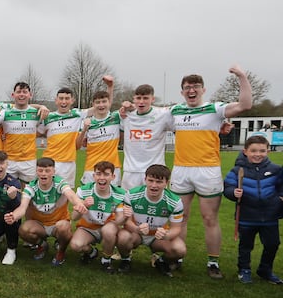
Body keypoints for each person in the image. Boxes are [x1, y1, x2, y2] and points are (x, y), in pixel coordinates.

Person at [170, 65, 252, 279]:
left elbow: (245, 104)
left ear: (203, 90)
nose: (191, 90)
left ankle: (213, 262)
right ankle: (176, 257)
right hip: (181, 170)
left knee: (209, 218)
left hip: (207, 171)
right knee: (181, 217)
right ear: (182, 92)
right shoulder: (175, 111)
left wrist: (242, 76)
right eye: (187, 87)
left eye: (196, 86)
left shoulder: (215, 109)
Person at [224, 135, 283, 284]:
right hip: (246, 215)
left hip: (270, 216)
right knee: (246, 246)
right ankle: (244, 269)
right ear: (245, 151)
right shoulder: (237, 170)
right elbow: (227, 187)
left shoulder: (276, 169)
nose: (258, 154)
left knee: (272, 244)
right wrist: (233, 192)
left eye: (262, 151)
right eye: (254, 151)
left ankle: (265, 270)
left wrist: (280, 198)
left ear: (268, 151)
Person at [116, 165, 186, 276]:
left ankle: (162, 261)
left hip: (157, 237)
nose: (154, 185)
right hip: (136, 234)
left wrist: (166, 236)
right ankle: (125, 259)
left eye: (159, 182)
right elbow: (127, 222)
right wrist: (137, 229)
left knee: (180, 249)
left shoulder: (175, 201)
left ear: (166, 183)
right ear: (145, 180)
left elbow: (176, 229)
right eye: (150, 180)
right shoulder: (132, 195)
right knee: (122, 237)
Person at [39, 83, 112, 187]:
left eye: (67, 98)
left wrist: (110, 87)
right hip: (49, 163)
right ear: (56, 100)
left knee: (66, 195)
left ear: (72, 100)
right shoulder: (48, 117)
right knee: (45, 193)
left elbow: (101, 106)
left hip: (68, 164)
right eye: (61, 98)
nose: (64, 101)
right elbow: (37, 133)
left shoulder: (77, 114)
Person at [18, 157, 82, 266]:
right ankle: (42, 245)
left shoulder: (60, 183)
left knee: (64, 227)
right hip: (40, 225)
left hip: (57, 224)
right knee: (23, 230)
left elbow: (70, 194)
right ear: (36, 171)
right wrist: (13, 216)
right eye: (40, 170)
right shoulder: (31, 186)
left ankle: (61, 251)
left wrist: (78, 204)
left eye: (47, 171)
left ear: (53, 172)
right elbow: (23, 206)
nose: (44, 174)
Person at [0, 82, 46, 184]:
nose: (22, 94)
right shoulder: (5, 112)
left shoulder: (36, 113)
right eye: (18, 92)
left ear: (30, 94)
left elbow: (43, 132)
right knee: (6, 194)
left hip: (29, 161)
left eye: (25, 92)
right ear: (13, 95)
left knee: (30, 195)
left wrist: (43, 107)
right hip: (9, 161)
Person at [69, 161, 126, 273]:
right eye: (98, 174)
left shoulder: (120, 194)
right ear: (94, 176)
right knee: (76, 245)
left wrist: (124, 216)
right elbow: (74, 217)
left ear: (113, 177)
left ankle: (106, 259)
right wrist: (83, 205)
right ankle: (92, 252)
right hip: (88, 228)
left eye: (106, 174)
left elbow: (119, 220)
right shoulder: (84, 191)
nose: (102, 178)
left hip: (108, 227)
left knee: (109, 230)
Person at [118, 85, 174, 190]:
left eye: (145, 98)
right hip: (131, 171)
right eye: (138, 98)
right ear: (133, 99)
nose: (141, 102)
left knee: (156, 204)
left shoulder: (163, 115)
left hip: (155, 171)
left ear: (152, 99)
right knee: (128, 205)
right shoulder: (126, 115)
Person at [76, 77, 121, 186]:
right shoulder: (87, 122)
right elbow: (77, 146)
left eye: (104, 101)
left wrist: (110, 86)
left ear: (108, 102)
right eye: (98, 102)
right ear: (93, 104)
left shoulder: (115, 117)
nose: (101, 105)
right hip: (92, 167)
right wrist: (84, 130)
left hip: (113, 167)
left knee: (113, 201)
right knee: (88, 201)